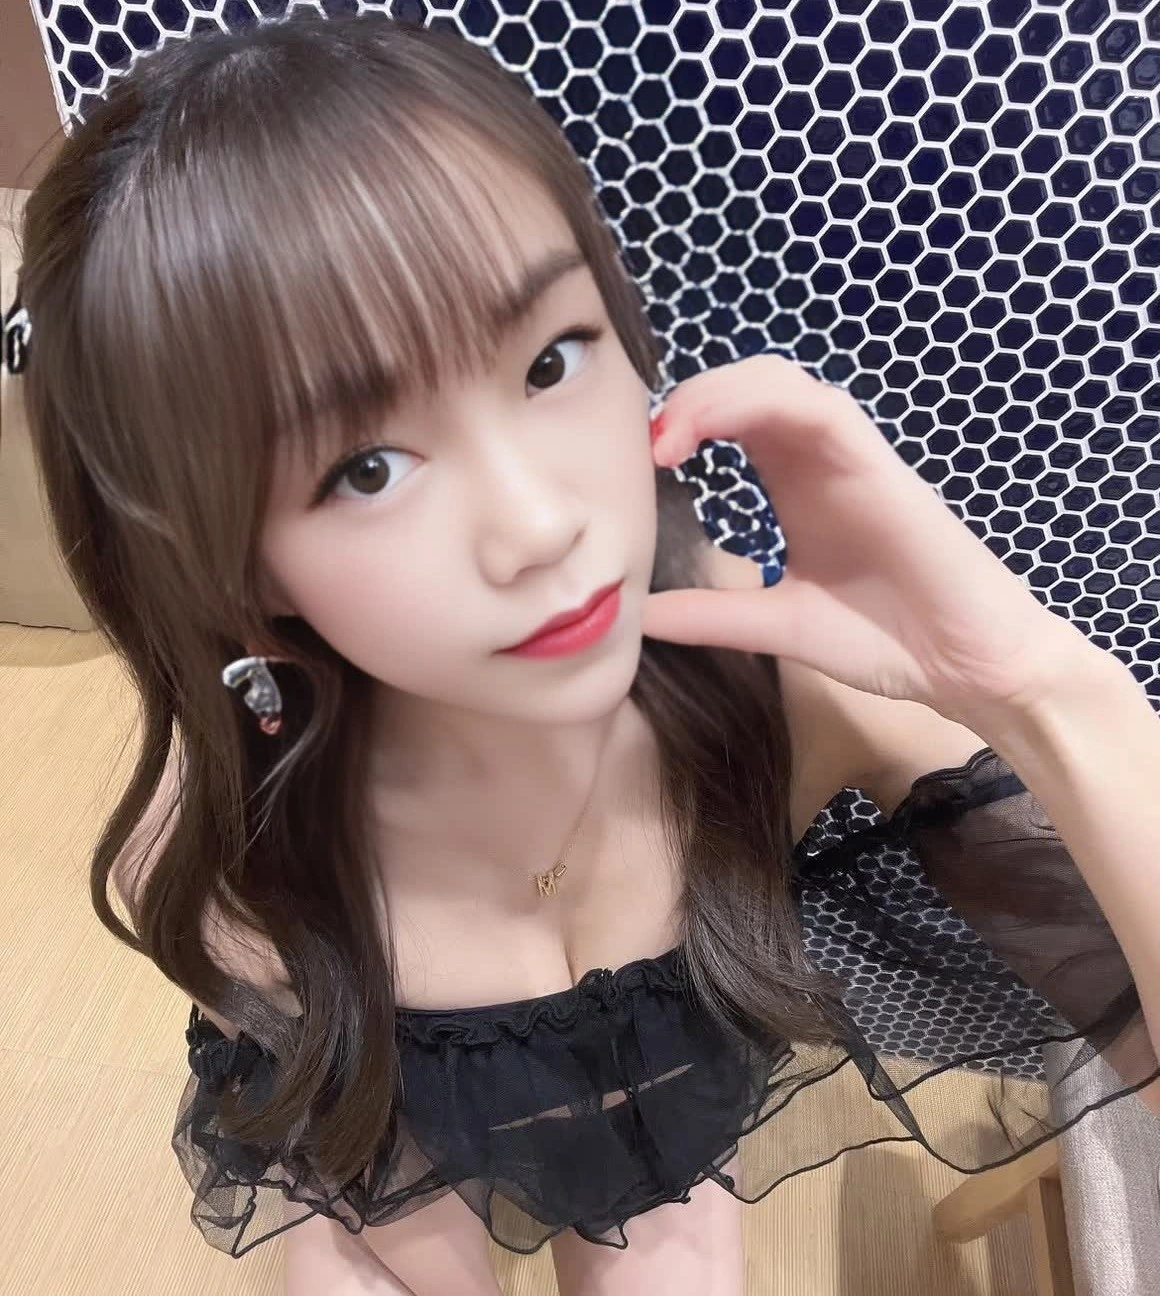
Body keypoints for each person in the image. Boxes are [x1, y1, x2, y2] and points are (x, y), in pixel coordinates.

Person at [10, 12, 1160, 1295]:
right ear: (235, 569)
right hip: (385, 1122)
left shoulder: (774, 681)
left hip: (669, 1106)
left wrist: (1043, 687)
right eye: (365, 468)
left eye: (550, 358)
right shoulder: (234, 838)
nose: (539, 525)